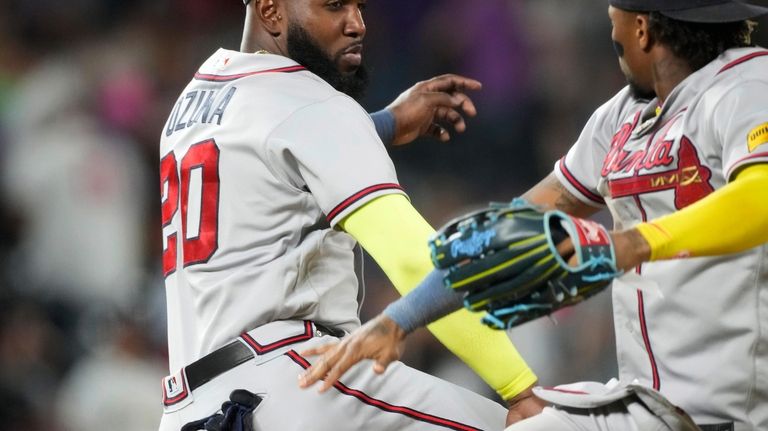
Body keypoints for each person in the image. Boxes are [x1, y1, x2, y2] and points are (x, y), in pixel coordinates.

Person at [298, 1, 768, 430]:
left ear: (642, 28)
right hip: (652, 404)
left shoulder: (748, 83)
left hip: (737, 408)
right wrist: (398, 320)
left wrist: (628, 244)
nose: (613, 33)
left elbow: (760, 197)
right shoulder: (620, 118)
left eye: (614, 20)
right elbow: (505, 234)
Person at [157, 0, 547, 430]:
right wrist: (519, 388)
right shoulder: (313, 106)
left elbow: (278, 150)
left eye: (359, 6)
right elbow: (415, 259)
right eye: (334, 5)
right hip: (293, 382)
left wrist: (382, 124)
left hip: (194, 407)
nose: (357, 24)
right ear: (270, 10)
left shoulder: (196, 99)